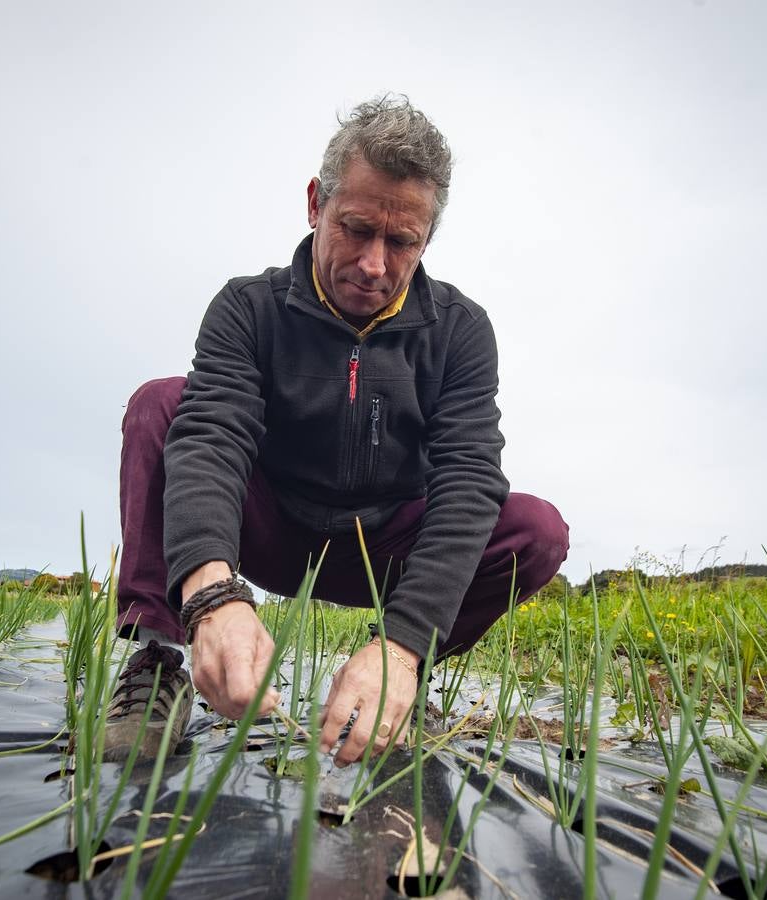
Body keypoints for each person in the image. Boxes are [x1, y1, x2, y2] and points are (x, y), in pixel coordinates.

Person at [109, 95, 569, 767]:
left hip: (378, 546)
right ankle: (159, 661)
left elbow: (469, 478)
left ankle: (401, 676)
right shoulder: (248, 308)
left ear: (427, 239)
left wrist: (402, 643)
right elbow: (212, 436)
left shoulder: (461, 331)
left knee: (536, 529)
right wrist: (212, 595)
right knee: (161, 406)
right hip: (267, 527)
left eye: (402, 241)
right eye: (356, 228)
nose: (375, 265)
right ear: (315, 203)